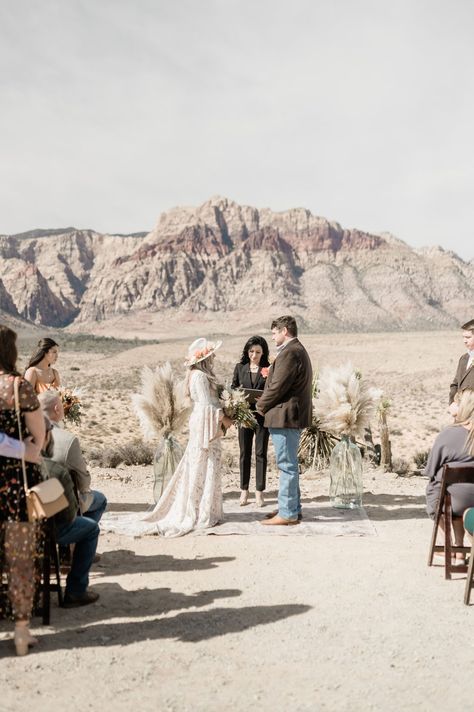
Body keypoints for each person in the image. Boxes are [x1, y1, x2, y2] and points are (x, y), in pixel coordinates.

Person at [106, 338, 232, 538]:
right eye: (211, 355)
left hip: (207, 422)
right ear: (204, 358)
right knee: (203, 463)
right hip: (206, 423)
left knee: (206, 463)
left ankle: (207, 509)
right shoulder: (199, 376)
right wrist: (226, 417)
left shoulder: (201, 375)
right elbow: (207, 404)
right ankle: (200, 511)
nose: (214, 358)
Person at [0, 324, 46, 656]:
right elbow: (39, 440)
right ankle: (20, 632)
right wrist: (23, 448)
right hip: (15, 485)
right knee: (20, 559)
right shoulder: (19, 389)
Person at [256, 316, 312, 526]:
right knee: (290, 464)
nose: (272, 337)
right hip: (289, 417)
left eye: (274, 333)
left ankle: (287, 513)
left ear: (285, 330)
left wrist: (260, 407)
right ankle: (292, 509)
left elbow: (277, 387)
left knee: (286, 465)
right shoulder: (296, 350)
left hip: (285, 417)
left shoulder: (290, 352)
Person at [41, 423, 100, 607]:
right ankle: (76, 590)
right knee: (91, 528)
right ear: (45, 438)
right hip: (42, 532)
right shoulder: (52, 470)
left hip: (11, 533)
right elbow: (68, 516)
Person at [38, 389, 106, 521]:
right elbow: (83, 482)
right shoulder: (68, 440)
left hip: (33, 500)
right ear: (57, 409)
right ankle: (78, 532)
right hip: (61, 504)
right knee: (100, 499)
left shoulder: (23, 437)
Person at [425, 388, 474, 561]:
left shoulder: (449, 434)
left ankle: (448, 546)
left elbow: (430, 469)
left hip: (453, 502)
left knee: (438, 488)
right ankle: (459, 548)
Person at [231, 336, 270, 507]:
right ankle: (244, 491)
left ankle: (259, 492)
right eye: (252, 351)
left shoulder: (268, 368)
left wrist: (264, 399)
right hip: (244, 416)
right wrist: (237, 400)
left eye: (258, 352)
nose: (254, 355)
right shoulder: (240, 368)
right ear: (247, 352)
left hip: (262, 416)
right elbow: (233, 388)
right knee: (244, 453)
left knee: (261, 454)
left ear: (263, 353)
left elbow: (272, 390)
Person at [448, 320, 474, 413]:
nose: (464, 341)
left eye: (468, 337)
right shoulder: (464, 358)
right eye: (463, 337)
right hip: (460, 415)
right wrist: (452, 404)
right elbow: (455, 384)